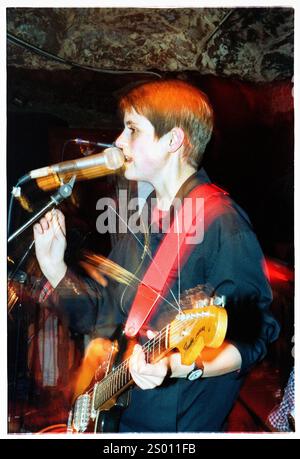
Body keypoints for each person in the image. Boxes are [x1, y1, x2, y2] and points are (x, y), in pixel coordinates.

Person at [33, 79, 280, 433]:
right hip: (123, 415)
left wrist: (181, 365)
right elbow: (103, 313)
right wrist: (55, 267)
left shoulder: (222, 220)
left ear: (173, 140)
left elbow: (255, 335)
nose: (119, 141)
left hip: (174, 427)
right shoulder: (142, 217)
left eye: (132, 129)